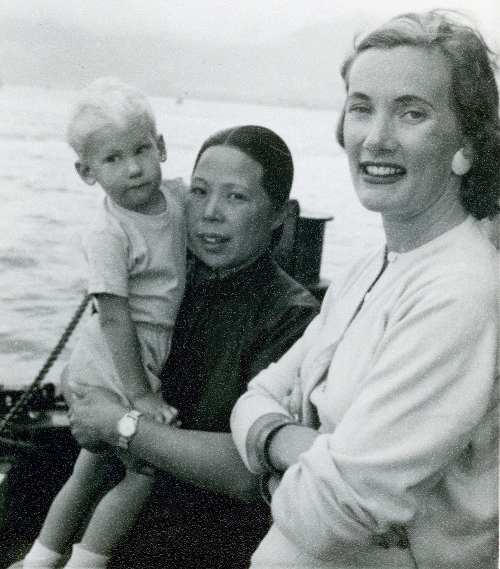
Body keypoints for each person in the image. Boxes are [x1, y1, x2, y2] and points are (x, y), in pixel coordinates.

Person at [231, 11, 500, 567]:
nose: (376, 139)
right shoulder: (370, 269)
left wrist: (271, 453)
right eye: (361, 108)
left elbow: (333, 517)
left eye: (412, 113)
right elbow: (254, 394)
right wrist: (297, 450)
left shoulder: (461, 293)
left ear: (467, 146)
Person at [63, 125, 320, 568]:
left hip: (210, 539)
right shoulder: (166, 280)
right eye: (199, 192)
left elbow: (251, 472)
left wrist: (121, 426)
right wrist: (81, 396)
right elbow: (92, 357)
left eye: (236, 197)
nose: (209, 214)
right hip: (124, 515)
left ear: (282, 214)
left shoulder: (293, 318)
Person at [21, 78, 187, 568]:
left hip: (132, 360)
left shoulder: (176, 199)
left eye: (141, 150)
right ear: (85, 172)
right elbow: (114, 319)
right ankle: (87, 562)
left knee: (90, 470)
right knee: (143, 470)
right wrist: (141, 397)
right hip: (117, 365)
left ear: (161, 147)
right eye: (112, 159)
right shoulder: (108, 234)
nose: (134, 167)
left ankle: (39, 558)